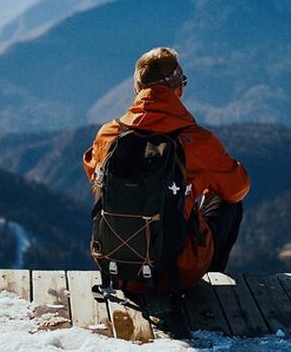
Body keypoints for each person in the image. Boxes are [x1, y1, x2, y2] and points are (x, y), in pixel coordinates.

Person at [82, 46, 249, 292]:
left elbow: (93, 173)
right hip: (178, 270)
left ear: (137, 88)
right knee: (228, 203)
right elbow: (238, 188)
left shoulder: (109, 135)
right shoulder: (196, 141)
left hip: (116, 268)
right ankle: (205, 283)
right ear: (178, 88)